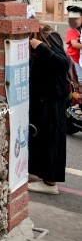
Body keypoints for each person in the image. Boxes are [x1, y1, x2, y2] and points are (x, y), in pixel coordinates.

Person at [27, 25, 71, 195]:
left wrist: (41, 47)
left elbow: (62, 64)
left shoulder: (50, 37)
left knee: (53, 140)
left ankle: (50, 183)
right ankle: (40, 174)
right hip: (42, 99)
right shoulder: (29, 39)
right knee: (42, 139)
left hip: (54, 98)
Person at [65, 5, 82, 81]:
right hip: (73, 59)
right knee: (79, 79)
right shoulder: (71, 31)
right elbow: (74, 44)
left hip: (79, 59)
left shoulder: (80, 30)